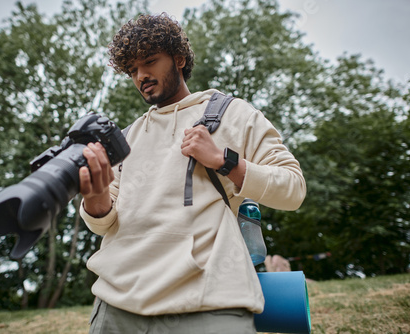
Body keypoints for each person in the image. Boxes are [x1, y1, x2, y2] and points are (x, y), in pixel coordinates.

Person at [78, 13, 306, 334]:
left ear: (179, 58)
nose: (141, 75)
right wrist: (95, 198)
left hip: (211, 300)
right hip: (117, 306)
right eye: (132, 70)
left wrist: (224, 161)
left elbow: (293, 189)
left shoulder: (233, 113)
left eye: (150, 62)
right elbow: (103, 223)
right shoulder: (126, 138)